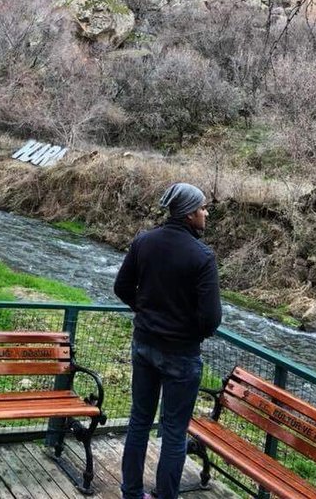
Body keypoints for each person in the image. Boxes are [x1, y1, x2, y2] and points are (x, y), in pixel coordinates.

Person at [114, 182, 222, 499]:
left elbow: (122, 287)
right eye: (202, 208)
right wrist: (191, 332)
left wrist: (144, 312)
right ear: (189, 213)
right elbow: (211, 318)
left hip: (144, 344)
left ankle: (131, 493)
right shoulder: (202, 257)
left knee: (139, 421)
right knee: (174, 432)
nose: (206, 213)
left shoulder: (143, 242)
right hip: (181, 354)